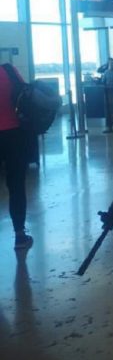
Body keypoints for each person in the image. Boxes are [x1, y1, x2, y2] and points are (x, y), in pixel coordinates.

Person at [0, 63, 33, 250]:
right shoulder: (10, 71)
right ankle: (19, 235)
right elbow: (25, 97)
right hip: (14, 135)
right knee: (16, 186)